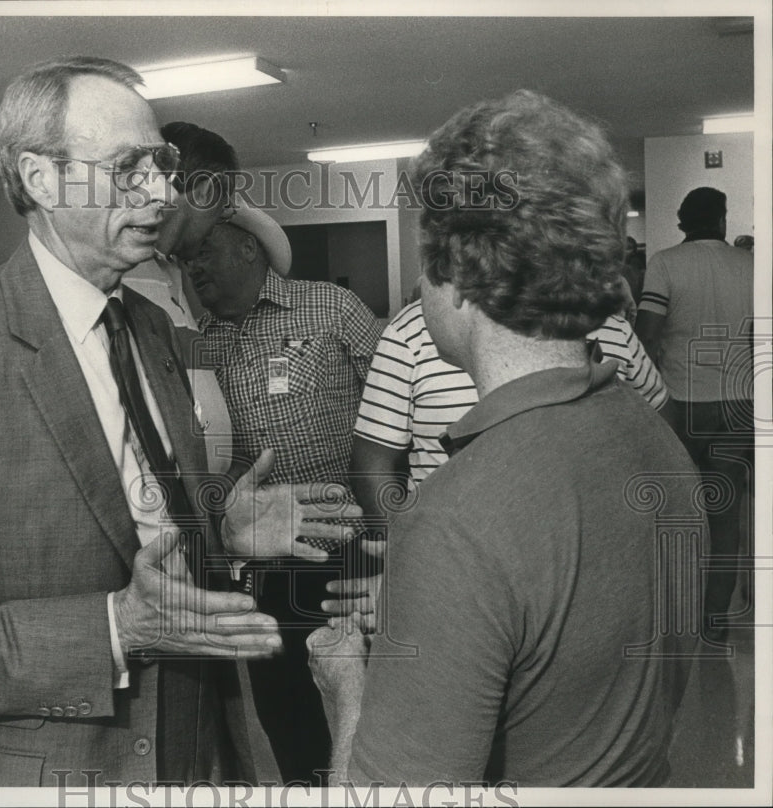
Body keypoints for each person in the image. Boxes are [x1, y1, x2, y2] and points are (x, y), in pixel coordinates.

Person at [0, 56, 358, 787]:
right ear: (40, 180)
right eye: (129, 169)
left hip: (202, 744)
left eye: (162, 164)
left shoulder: (150, 326)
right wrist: (118, 628)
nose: (161, 191)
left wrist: (222, 531)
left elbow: (139, 526)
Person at [308, 90, 699, 786]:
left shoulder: (459, 514)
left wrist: (348, 688)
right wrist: (447, 611)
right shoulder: (651, 437)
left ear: (457, 277)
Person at [187, 212, 382, 782]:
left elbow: (395, 407)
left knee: (369, 699)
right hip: (266, 558)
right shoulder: (199, 343)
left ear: (249, 249)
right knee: (285, 710)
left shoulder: (331, 309)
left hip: (354, 545)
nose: (192, 265)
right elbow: (205, 452)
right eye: (186, 257)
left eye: (204, 250)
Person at [350, 303, 671, 518]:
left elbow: (661, 433)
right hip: (449, 545)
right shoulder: (410, 331)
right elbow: (372, 462)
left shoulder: (610, 328)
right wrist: (408, 544)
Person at [636, 187, 754, 642]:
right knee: (725, 515)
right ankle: (715, 619)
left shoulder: (665, 263)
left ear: (683, 222)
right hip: (738, 406)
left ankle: (677, 615)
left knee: (677, 513)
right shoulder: (750, 267)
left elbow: (647, 335)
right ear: (723, 221)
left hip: (680, 405)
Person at [123, 121, 239, 474]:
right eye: (224, 206)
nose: (221, 220)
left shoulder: (171, 275)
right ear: (204, 192)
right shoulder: (120, 275)